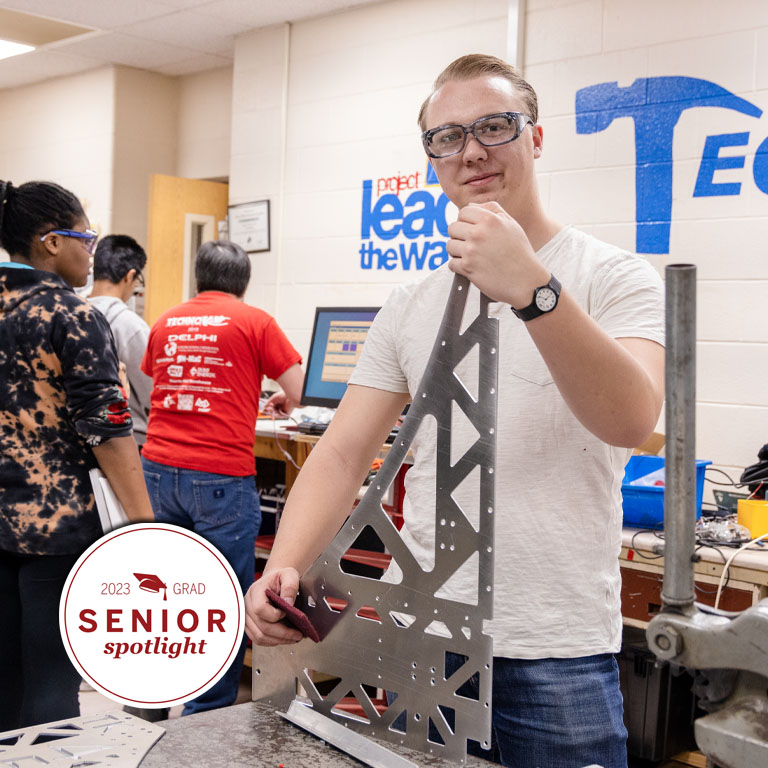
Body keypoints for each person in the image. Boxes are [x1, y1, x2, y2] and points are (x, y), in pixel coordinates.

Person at [244, 54, 665, 768]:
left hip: (555, 652)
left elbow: (629, 420)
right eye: (447, 137)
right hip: (424, 643)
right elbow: (344, 452)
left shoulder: (612, 276)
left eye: (495, 127)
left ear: (536, 139)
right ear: (432, 159)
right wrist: (283, 568)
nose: (471, 150)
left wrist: (533, 288)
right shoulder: (411, 302)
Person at [0, 179, 154, 731]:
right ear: (49, 241)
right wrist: (143, 521)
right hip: (57, 531)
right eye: (84, 238)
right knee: (51, 683)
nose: (92, 251)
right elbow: (108, 429)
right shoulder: (72, 314)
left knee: (5, 679)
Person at [141, 239, 304, 716]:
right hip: (217, 474)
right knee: (221, 595)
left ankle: (152, 699)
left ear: (198, 277)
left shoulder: (167, 320)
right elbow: (298, 387)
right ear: (244, 282)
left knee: (164, 588)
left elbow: (169, 382)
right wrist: (278, 399)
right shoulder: (255, 321)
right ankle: (205, 712)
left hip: (156, 468)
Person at [89, 235, 152, 446]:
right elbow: (152, 394)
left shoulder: (72, 314)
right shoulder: (130, 326)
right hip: (128, 440)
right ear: (129, 276)